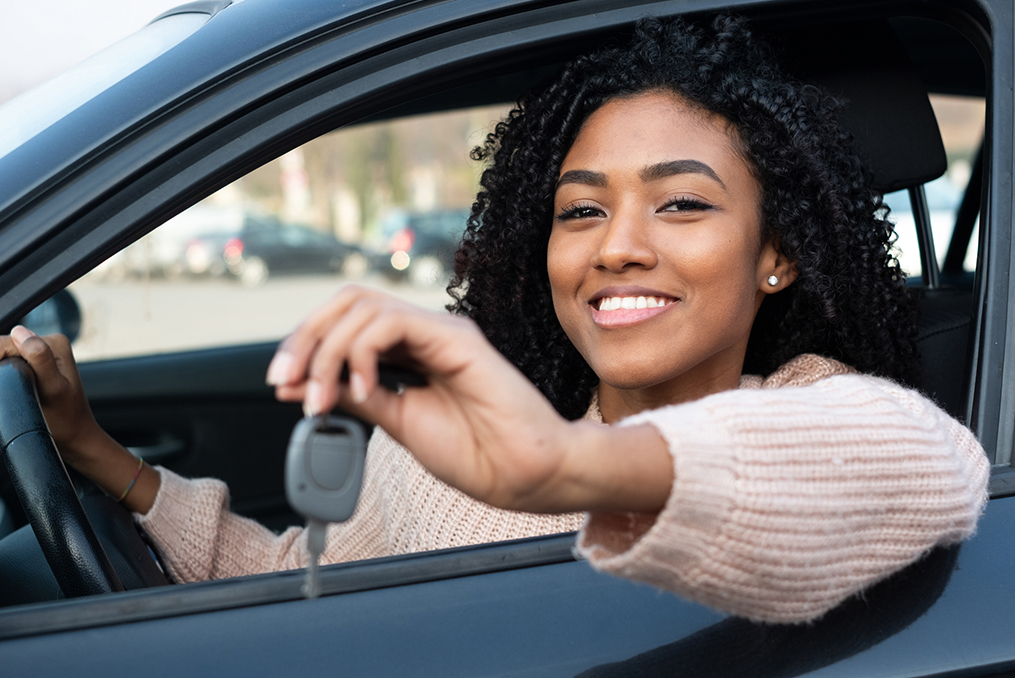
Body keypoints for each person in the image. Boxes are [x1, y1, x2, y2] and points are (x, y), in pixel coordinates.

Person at [1, 16, 987, 624]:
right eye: (581, 210)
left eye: (682, 204)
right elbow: (292, 583)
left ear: (774, 256)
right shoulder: (444, 444)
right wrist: (97, 455)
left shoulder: (809, 410)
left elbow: (923, 465)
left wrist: (563, 470)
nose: (616, 248)